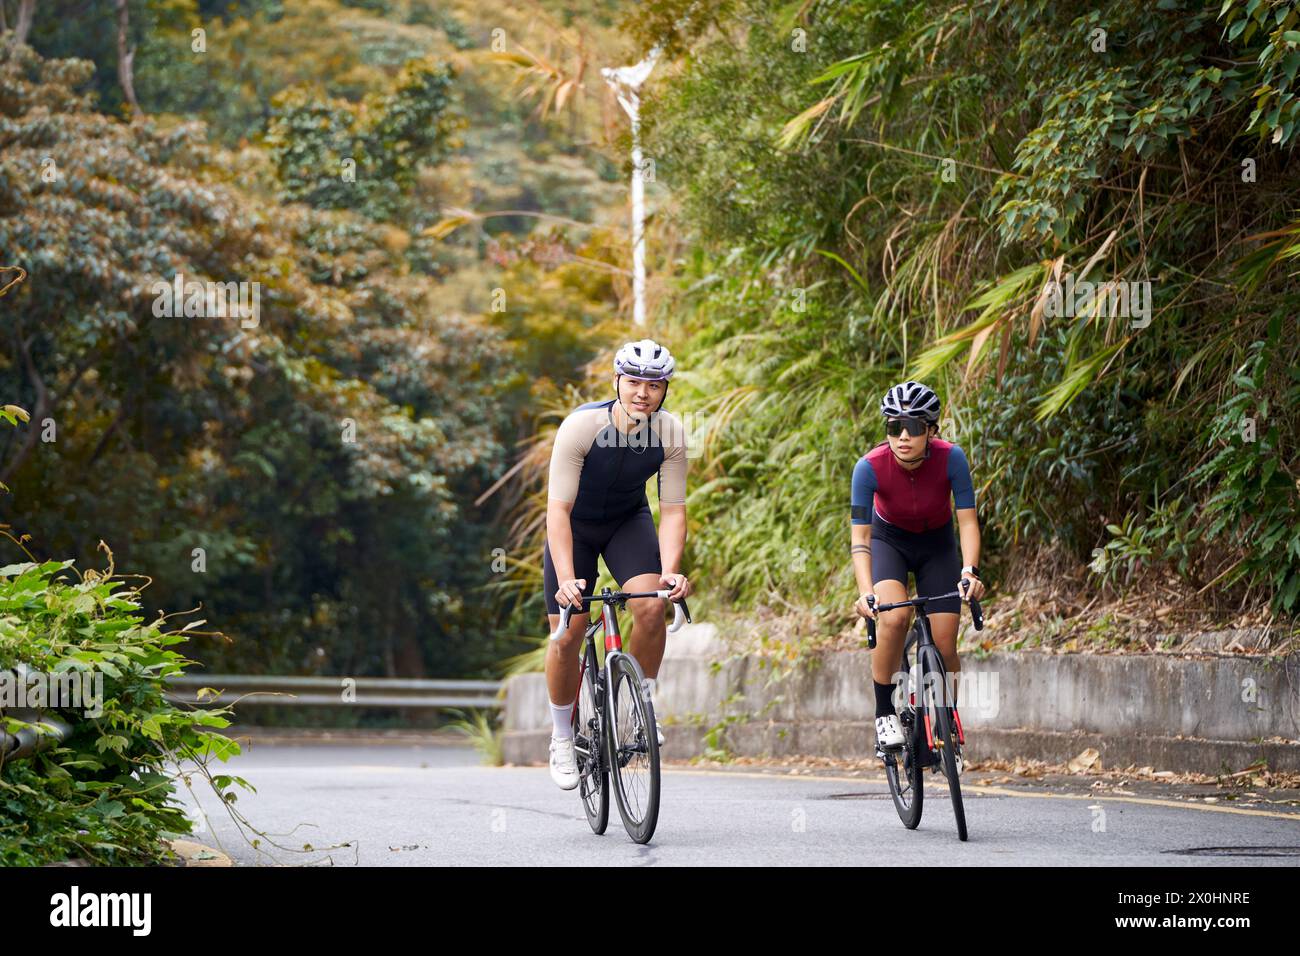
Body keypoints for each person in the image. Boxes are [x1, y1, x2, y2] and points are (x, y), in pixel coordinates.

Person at [543, 339, 693, 789]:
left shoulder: (670, 433)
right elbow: (557, 512)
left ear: (665, 389)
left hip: (628, 521)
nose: (642, 393)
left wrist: (669, 571)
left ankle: (641, 708)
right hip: (576, 526)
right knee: (569, 633)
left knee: (650, 606)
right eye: (633, 382)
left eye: (653, 384)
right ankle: (562, 736)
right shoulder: (581, 427)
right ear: (617, 383)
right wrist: (567, 579)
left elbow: (673, 511)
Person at [850, 381, 986, 773]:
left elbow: (967, 523)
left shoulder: (951, 459)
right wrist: (865, 592)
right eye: (895, 427)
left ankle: (948, 721)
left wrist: (969, 571)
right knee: (893, 617)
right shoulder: (869, 467)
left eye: (913, 426)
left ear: (932, 430)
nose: (903, 436)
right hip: (889, 542)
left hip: (937, 545)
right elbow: (860, 538)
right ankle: (883, 713)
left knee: (945, 645)